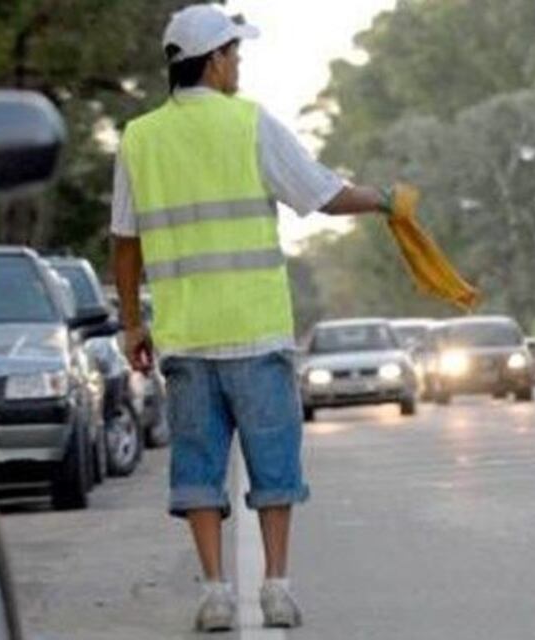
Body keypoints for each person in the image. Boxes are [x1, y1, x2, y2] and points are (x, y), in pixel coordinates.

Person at [111, 5, 397, 632]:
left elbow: (124, 245)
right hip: (256, 332)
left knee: (197, 470)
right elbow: (319, 193)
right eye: (235, 54)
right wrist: (385, 200)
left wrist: (132, 324)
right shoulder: (250, 124)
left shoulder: (138, 139)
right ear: (214, 61)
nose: (238, 64)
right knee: (275, 466)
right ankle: (275, 587)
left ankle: (214, 592)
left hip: (185, 339)